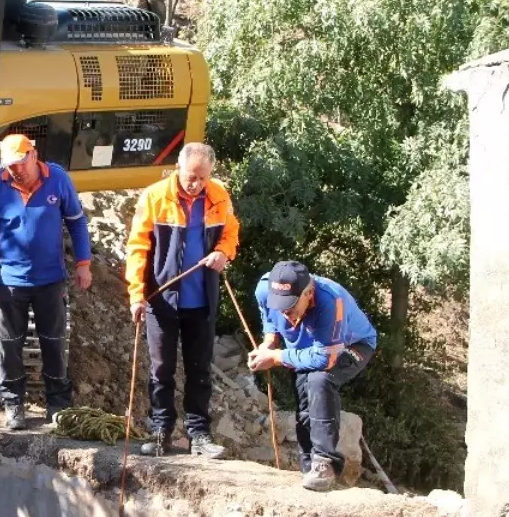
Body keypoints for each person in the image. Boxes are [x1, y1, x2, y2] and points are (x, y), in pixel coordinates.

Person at [125, 142, 239, 458]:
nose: (196, 184)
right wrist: (136, 293)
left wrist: (222, 252)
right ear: (179, 168)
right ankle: (161, 431)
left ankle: (199, 434)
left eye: (203, 178)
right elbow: (138, 248)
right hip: (161, 299)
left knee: (199, 368)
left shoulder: (219, 196)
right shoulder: (155, 196)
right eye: (192, 177)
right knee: (161, 369)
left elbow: (231, 233)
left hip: (201, 299)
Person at [0, 134, 92, 430]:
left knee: (53, 341)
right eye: (10, 165)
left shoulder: (58, 180)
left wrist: (83, 263)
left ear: (33, 154)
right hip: (10, 281)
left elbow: (76, 222)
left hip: (50, 279)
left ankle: (58, 406)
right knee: (10, 345)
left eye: (20, 162)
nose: (16, 170)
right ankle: (13, 403)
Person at [249, 261, 378, 492]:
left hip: (352, 345)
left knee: (320, 380)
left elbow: (324, 360)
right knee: (303, 394)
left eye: (289, 306)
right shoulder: (264, 289)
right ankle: (308, 465)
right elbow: (270, 320)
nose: (284, 312)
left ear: (308, 293)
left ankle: (325, 463)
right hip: (306, 348)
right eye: (279, 305)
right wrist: (268, 344)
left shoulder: (330, 301)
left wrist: (277, 357)